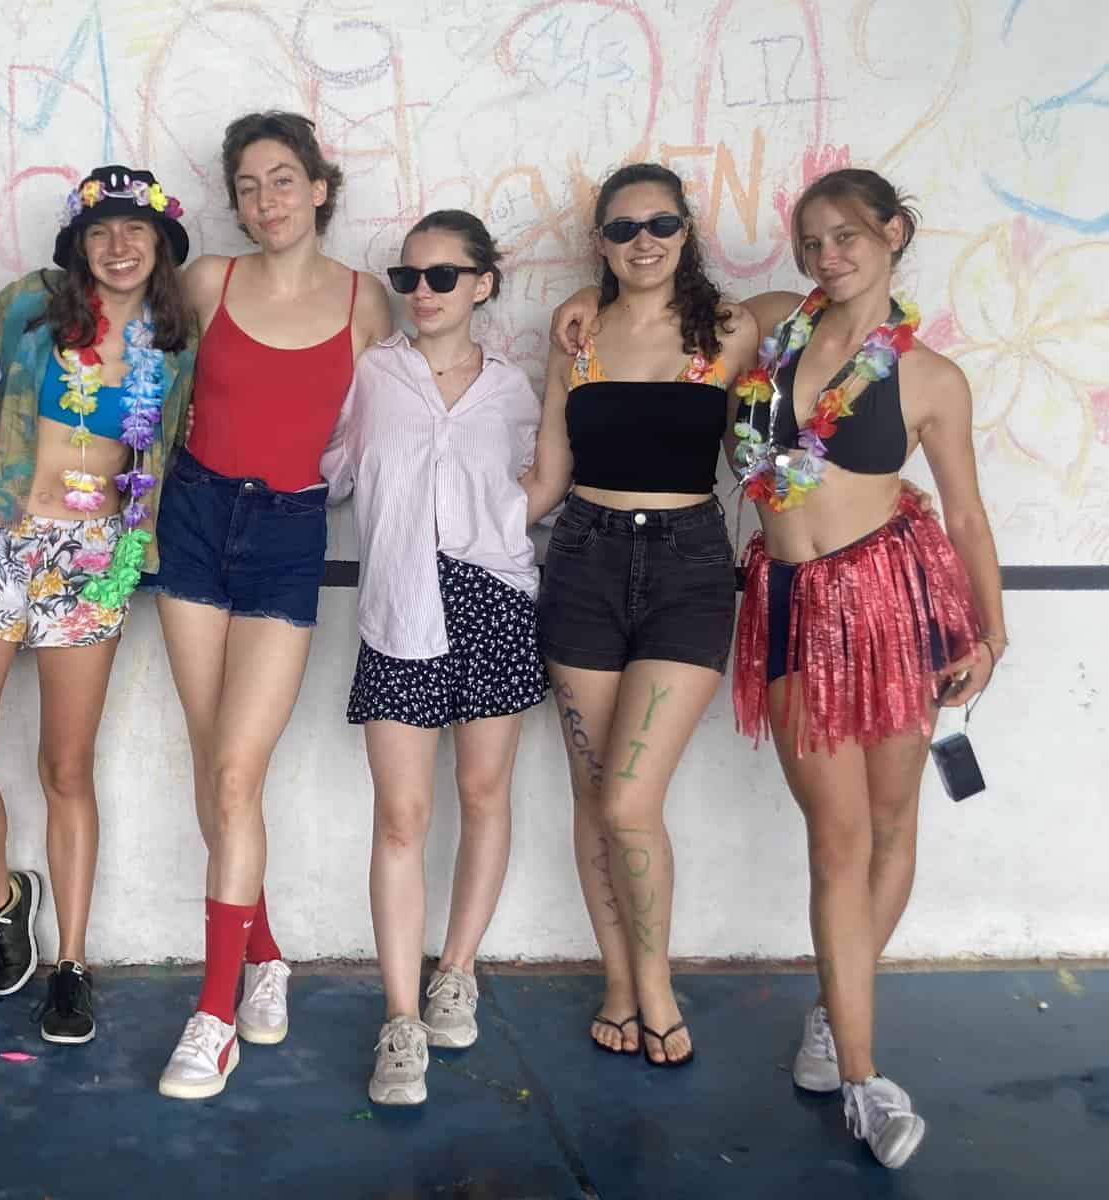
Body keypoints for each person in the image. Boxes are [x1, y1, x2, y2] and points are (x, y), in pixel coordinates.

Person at [553, 167, 1005, 1167]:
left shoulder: (930, 377)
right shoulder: (766, 329)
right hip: (792, 600)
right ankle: (857, 1056)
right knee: (836, 838)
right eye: (812, 242)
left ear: (893, 234)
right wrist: (584, 295)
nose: (828, 256)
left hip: (894, 601)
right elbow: (654, 301)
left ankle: (845, 1033)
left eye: (848, 237)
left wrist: (990, 632)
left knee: (890, 822)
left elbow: (968, 515)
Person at [145, 110, 392, 1099]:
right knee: (217, 766)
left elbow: (398, 416)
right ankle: (266, 954)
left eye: (283, 179)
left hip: (289, 533)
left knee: (237, 771)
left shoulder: (366, 302)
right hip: (195, 519)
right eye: (247, 185)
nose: (265, 200)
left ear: (320, 187)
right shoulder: (208, 281)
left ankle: (214, 1017)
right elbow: (128, 365)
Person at [0, 164, 196, 1044]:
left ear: (159, 245)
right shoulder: (32, 306)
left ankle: (73, 966)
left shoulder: (177, 340)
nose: (118, 247)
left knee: (67, 768)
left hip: (96, 558)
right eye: (100, 231)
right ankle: (2, 898)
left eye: (135, 231)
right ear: (78, 245)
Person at [519, 163, 758, 1069]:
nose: (643, 241)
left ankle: (655, 985)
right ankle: (619, 983)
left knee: (628, 799)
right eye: (622, 229)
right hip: (583, 557)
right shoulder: (578, 337)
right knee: (594, 797)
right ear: (601, 243)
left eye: (660, 224)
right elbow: (547, 478)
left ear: (687, 232)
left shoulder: (731, 330)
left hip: (689, 567)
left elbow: (821, 309)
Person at [321, 210, 547, 1106]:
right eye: (408, 276)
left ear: (482, 284)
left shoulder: (515, 390)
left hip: (493, 601)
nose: (422, 292)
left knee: (484, 795)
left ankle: (458, 969)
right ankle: (401, 1017)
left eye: (443, 276)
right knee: (400, 817)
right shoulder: (371, 375)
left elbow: (543, 482)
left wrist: (497, 527)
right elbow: (329, 471)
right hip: (400, 605)